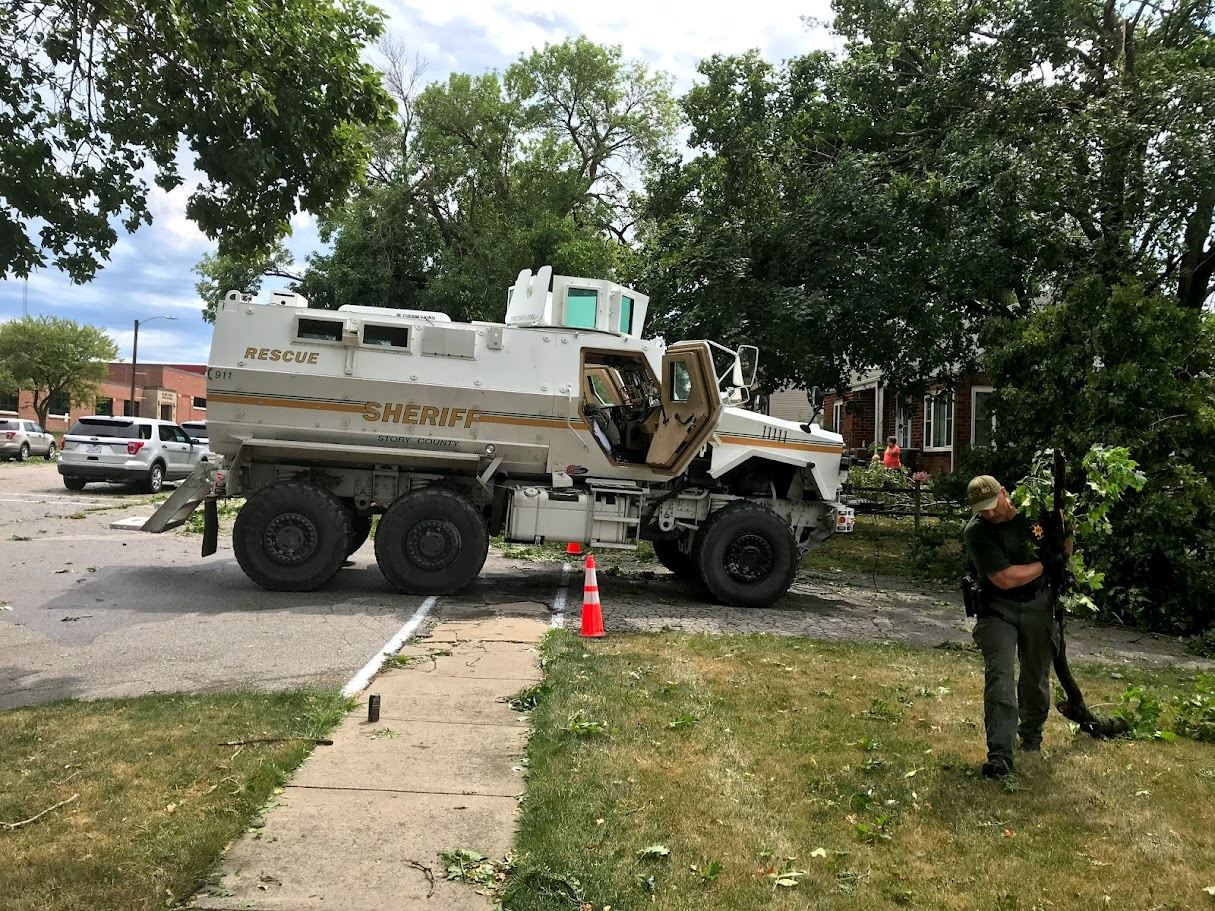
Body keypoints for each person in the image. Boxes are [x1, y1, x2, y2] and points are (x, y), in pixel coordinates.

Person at [962, 475, 1066, 779]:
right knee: (1000, 674)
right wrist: (1046, 565)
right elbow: (1004, 577)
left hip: (1039, 605)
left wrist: (1063, 537)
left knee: (1035, 674)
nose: (990, 514)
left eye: (993, 506)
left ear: (1005, 493)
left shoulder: (1036, 512)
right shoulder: (977, 532)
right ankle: (1000, 756)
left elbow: (1067, 546)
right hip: (997, 607)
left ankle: (1031, 734)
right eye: (982, 510)